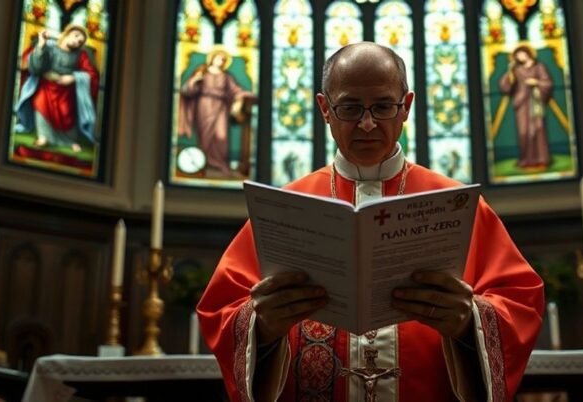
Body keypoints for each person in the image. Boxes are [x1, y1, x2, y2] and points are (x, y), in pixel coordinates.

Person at [198, 42, 544, 402]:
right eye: (349, 108)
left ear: (406, 107)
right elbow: (222, 309)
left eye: (382, 106)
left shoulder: (458, 204)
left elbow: (519, 302)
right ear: (325, 109)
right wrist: (262, 325)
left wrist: (468, 322)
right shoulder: (286, 207)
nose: (367, 123)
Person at [14, 24, 99, 153]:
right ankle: (43, 137)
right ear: (67, 34)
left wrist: (73, 78)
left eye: (80, 41)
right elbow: (36, 68)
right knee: (41, 102)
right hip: (46, 87)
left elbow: (91, 74)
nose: (77, 41)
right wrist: (41, 45)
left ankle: (70, 141)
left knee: (67, 114)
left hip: (66, 92)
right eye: (75, 36)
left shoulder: (81, 55)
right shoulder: (51, 47)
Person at [178, 48, 257, 177]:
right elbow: (188, 90)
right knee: (205, 136)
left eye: (224, 59)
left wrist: (243, 95)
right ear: (213, 58)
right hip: (204, 106)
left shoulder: (226, 76)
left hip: (221, 108)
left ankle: (220, 165)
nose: (221, 61)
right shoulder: (202, 72)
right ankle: (205, 164)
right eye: (219, 58)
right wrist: (195, 81)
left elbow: (235, 90)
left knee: (222, 136)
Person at [499, 44, 553, 169]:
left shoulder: (539, 67)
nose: (519, 56)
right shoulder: (516, 70)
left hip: (535, 102)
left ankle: (541, 159)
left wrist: (537, 82)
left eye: (521, 53)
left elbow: (548, 83)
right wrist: (509, 73)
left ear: (528, 53)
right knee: (524, 132)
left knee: (538, 129)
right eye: (517, 55)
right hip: (522, 104)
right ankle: (526, 160)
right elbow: (505, 86)